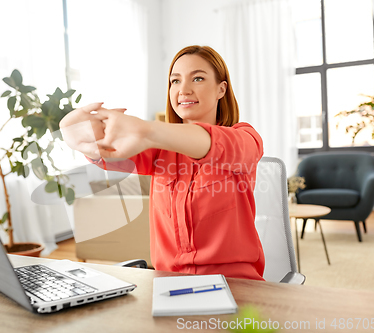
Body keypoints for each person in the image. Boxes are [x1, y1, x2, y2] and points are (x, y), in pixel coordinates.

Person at [60, 45, 265, 280]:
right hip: (169, 283)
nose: (183, 90)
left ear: (221, 89)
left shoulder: (245, 138)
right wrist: (77, 130)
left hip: (235, 283)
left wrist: (147, 130)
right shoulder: (159, 151)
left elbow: (214, 143)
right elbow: (106, 150)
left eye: (197, 78)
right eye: (175, 81)